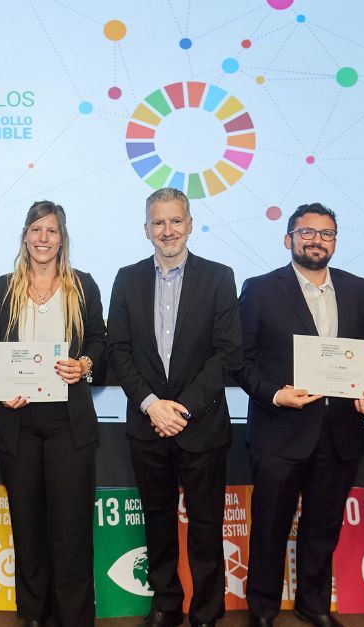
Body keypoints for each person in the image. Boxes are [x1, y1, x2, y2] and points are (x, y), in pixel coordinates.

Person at [235, 204, 364, 627]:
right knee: (269, 527)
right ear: (288, 239)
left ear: (335, 242)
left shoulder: (359, 289)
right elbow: (240, 361)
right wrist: (275, 394)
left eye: (327, 233)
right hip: (279, 432)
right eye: (307, 232)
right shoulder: (260, 289)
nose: (317, 240)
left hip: (340, 432)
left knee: (323, 527)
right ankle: (263, 608)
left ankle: (313, 604)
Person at [106, 188, 241, 627]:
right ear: (146, 229)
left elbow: (227, 353)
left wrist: (180, 409)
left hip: (202, 426)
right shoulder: (126, 279)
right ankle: (166, 604)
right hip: (148, 425)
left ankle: (206, 611)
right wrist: (151, 405)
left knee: (206, 525)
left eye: (176, 221)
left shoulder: (219, 277)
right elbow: (118, 349)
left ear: (190, 224)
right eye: (159, 222)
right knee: (158, 521)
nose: (168, 230)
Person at [0, 200, 106, 626]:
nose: (43, 238)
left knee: (71, 529)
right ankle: (34, 615)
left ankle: (73, 617)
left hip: (68, 425)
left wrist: (84, 364)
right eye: (35, 229)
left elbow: (100, 341)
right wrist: (2, 389)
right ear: (24, 236)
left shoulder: (83, 285)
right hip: (17, 423)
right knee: (28, 526)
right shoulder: (3, 288)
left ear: (62, 238)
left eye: (51, 230)